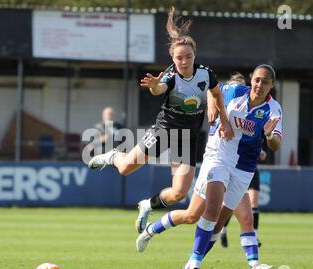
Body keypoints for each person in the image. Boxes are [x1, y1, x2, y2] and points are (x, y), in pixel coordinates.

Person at [88, 7, 233, 233]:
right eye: (179, 57)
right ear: (172, 58)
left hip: (188, 138)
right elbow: (160, 89)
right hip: (164, 131)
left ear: (195, 55)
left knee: (179, 193)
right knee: (126, 168)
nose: (184, 61)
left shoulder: (206, 74)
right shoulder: (171, 76)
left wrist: (223, 118)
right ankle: (113, 155)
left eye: (188, 56)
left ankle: (147, 204)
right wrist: (156, 86)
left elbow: (216, 93)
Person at [136, 64, 282, 269]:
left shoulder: (274, 109)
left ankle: (186, 265)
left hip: (244, 168)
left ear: (272, 85)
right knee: (210, 209)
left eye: (266, 82)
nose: (260, 85)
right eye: (257, 80)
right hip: (218, 156)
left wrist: (270, 134)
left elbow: (276, 144)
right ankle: (198, 265)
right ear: (251, 80)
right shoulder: (234, 91)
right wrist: (214, 106)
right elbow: (210, 89)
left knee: (210, 223)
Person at [220, 149, 266, 248]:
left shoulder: (258, 134)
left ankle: (254, 236)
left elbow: (263, 154)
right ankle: (222, 229)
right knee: (232, 203)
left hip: (251, 170)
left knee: (254, 204)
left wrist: (261, 152)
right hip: (235, 170)